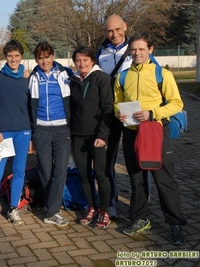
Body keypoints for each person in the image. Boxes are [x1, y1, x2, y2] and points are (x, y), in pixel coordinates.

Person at [114, 32, 187, 245]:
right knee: (136, 178)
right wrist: (120, 112)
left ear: (150, 50)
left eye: (141, 49)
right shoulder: (123, 75)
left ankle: (175, 224)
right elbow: (116, 102)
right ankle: (140, 218)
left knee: (164, 179)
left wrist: (152, 113)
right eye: (133, 49)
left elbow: (176, 103)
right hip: (131, 132)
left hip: (155, 131)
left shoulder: (161, 73)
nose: (136, 53)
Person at [96, 14, 152, 219]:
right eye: (109, 31)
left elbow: (152, 75)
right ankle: (111, 204)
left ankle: (142, 205)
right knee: (107, 163)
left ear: (125, 27)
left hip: (136, 115)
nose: (114, 34)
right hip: (112, 114)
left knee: (141, 160)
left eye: (118, 29)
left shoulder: (137, 49)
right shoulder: (100, 53)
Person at [0, 40, 31, 233]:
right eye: (10, 56)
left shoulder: (27, 79)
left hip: (23, 132)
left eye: (17, 56)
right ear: (6, 57)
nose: (13, 59)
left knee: (19, 172)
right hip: (1, 134)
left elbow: (31, 108)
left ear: (21, 57)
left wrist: (31, 133)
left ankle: (12, 209)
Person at [27, 41, 72, 227]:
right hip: (41, 129)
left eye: (47, 57)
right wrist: (32, 133)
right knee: (45, 171)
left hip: (62, 128)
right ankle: (51, 208)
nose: (44, 61)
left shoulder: (64, 74)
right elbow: (29, 106)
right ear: (36, 59)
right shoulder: (33, 77)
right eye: (40, 58)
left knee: (60, 169)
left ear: (53, 56)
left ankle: (51, 210)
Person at [70, 46, 113, 229]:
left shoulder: (102, 79)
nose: (82, 64)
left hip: (97, 136)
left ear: (92, 60)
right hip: (78, 135)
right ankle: (91, 207)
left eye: (85, 60)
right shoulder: (73, 80)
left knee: (101, 174)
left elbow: (108, 108)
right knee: (84, 174)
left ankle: (104, 210)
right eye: (78, 60)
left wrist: (103, 135)